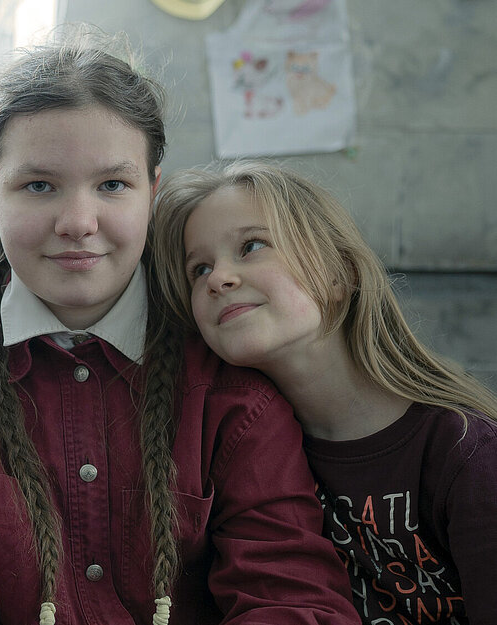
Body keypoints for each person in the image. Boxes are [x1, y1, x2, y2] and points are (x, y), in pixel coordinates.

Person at [0, 30, 359, 625]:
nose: (78, 222)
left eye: (113, 185)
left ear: (153, 192)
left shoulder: (228, 377)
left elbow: (293, 599)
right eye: (38, 185)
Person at [149, 160, 497, 624]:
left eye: (251, 246)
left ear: (338, 275)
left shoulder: (469, 452)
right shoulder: (238, 454)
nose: (218, 278)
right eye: (200, 268)